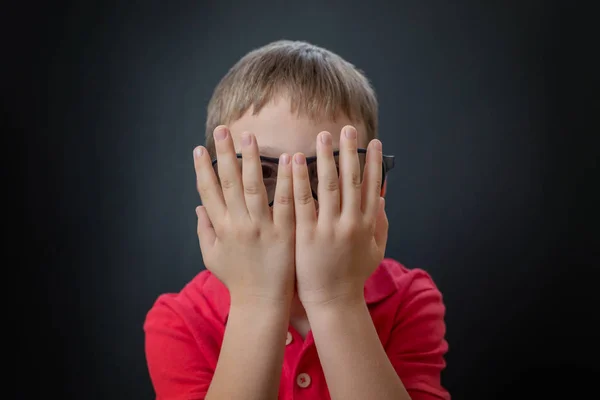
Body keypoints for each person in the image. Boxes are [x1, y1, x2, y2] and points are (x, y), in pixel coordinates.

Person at [144, 40, 450, 400]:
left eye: (329, 172)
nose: (295, 203)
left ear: (373, 188)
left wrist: (336, 299)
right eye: (261, 173)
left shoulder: (408, 299)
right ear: (214, 191)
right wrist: (257, 299)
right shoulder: (181, 321)